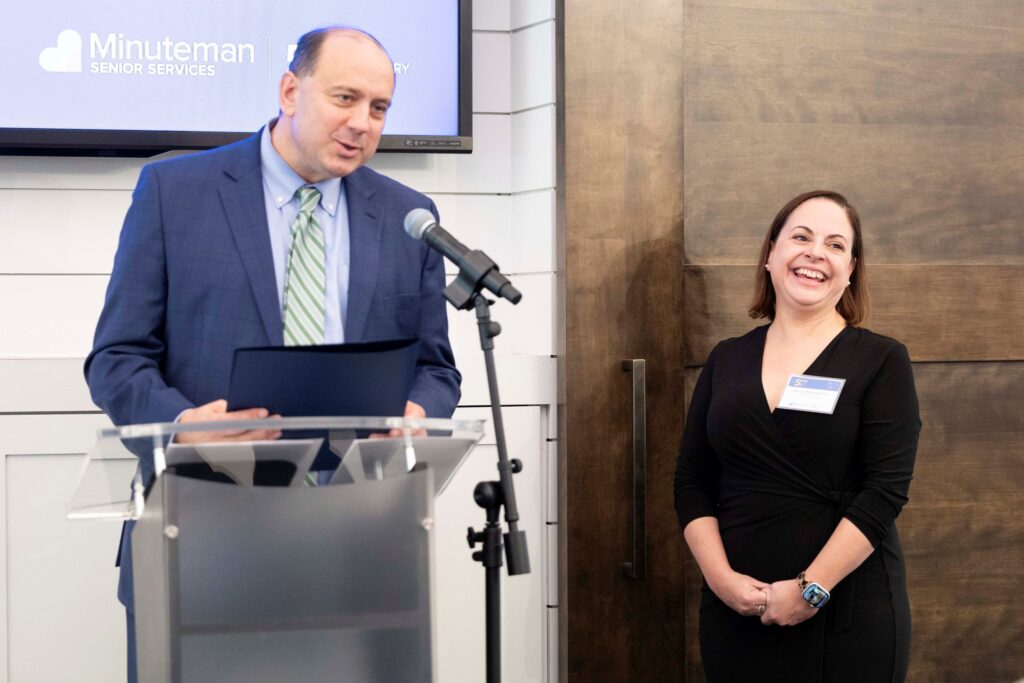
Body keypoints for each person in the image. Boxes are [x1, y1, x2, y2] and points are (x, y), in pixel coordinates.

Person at [84, 26, 460, 682]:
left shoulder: (407, 215)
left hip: (359, 540)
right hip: (203, 531)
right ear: (290, 90)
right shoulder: (176, 192)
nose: (362, 123)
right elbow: (116, 358)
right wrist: (181, 427)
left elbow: (436, 368)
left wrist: (416, 411)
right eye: (345, 98)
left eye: (379, 108)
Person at [674, 190, 920, 682]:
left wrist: (811, 589)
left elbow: (884, 492)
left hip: (846, 613)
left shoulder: (881, 361)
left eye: (834, 245)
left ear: (850, 269)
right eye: (801, 237)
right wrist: (721, 581)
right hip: (737, 613)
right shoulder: (727, 359)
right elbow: (692, 480)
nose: (814, 254)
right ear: (771, 254)